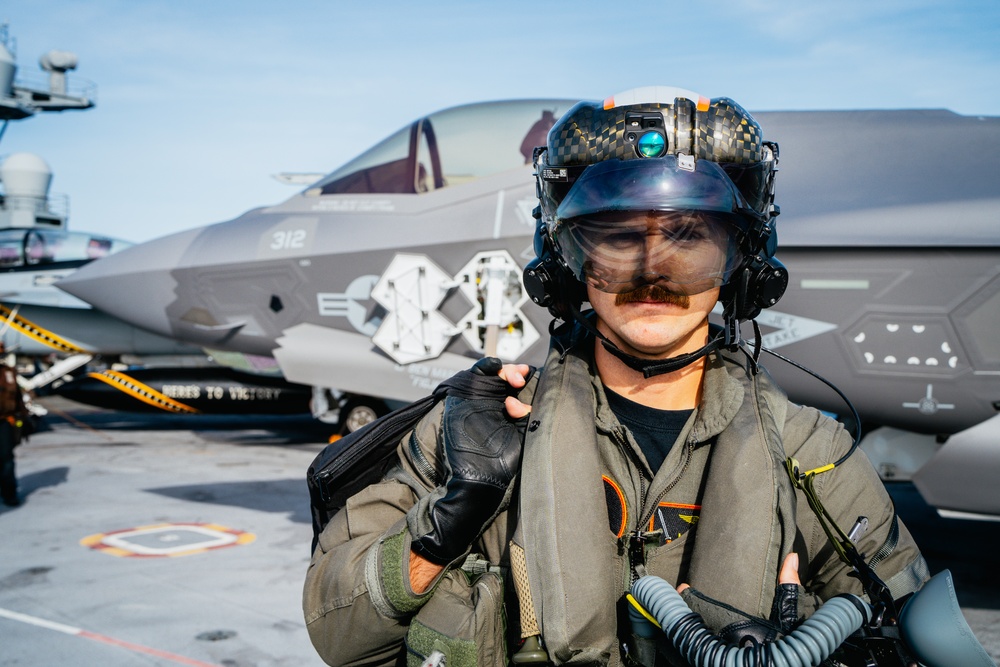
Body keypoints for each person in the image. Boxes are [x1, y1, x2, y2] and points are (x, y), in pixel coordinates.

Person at [303, 87, 929, 667]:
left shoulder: (813, 460)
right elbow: (337, 632)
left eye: (689, 236)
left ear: (743, 263)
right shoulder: (471, 433)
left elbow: (914, 630)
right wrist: (446, 524)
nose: (652, 268)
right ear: (565, 258)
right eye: (617, 237)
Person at [0, 341, 28, 507]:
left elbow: (17, 398)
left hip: (5, 422)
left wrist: (23, 418)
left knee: (6, 460)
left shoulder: (8, 373)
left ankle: (9, 494)